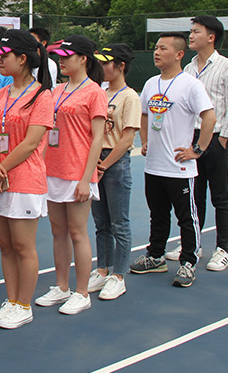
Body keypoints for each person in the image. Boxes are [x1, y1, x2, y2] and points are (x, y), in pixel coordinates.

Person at [131, 32, 215, 288]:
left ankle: (188, 262)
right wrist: (144, 141)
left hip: (179, 167)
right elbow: (144, 114)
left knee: (186, 217)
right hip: (154, 165)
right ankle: (156, 256)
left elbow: (209, 117)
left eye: (163, 48)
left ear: (179, 54)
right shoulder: (150, 83)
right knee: (157, 214)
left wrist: (197, 150)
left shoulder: (191, 85)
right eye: (155, 48)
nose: (157, 52)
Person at [0, 29, 52, 329]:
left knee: (23, 246)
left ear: (23, 59)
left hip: (23, 179)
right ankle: (11, 300)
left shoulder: (42, 95)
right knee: (5, 246)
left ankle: (24, 304)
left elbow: (30, 142)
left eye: (5, 55)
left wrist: (1, 167)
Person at [36, 35, 106, 315]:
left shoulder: (94, 92)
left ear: (83, 59)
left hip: (78, 172)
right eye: (60, 57)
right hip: (53, 170)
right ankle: (62, 286)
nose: (61, 61)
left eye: (67, 56)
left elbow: (97, 137)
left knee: (78, 232)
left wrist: (86, 178)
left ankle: (81, 292)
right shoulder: (56, 90)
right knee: (58, 231)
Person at [176, 15, 228, 272]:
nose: (191, 36)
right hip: (192, 139)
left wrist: (223, 138)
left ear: (211, 37)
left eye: (196, 32)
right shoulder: (188, 68)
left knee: (220, 196)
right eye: (190, 31)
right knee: (195, 195)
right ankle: (195, 245)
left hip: (216, 139)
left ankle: (222, 249)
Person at [89, 44, 140, 301]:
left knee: (119, 222)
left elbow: (128, 136)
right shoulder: (100, 92)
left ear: (120, 66)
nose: (101, 67)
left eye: (106, 63)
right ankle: (101, 268)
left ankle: (118, 275)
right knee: (101, 223)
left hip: (114, 162)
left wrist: (105, 165)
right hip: (97, 159)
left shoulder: (129, 97)